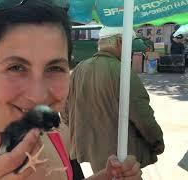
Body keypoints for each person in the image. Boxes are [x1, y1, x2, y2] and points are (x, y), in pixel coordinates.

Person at [0, 1, 142, 180]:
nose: (38, 96)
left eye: (55, 68)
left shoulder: (59, 134)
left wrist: (108, 177)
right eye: (16, 67)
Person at [62, 26, 165, 173]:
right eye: (130, 44)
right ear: (119, 42)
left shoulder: (79, 69)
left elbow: (66, 113)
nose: (131, 51)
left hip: (92, 153)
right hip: (121, 158)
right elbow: (142, 115)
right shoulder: (122, 71)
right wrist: (157, 142)